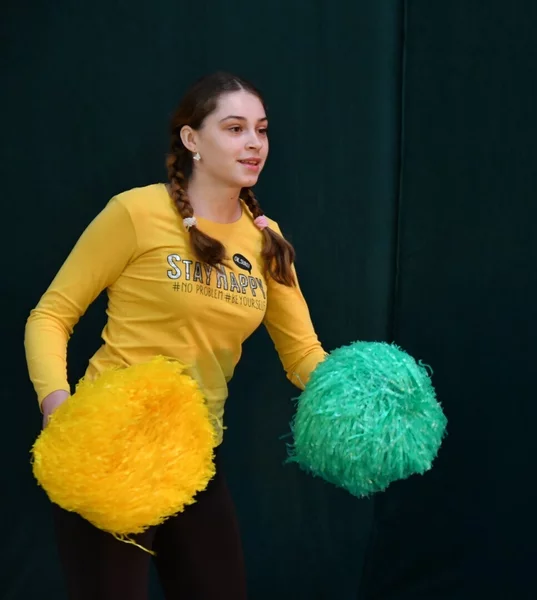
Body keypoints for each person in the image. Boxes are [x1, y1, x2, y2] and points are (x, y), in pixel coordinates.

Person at [24, 72, 327, 600]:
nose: (254, 143)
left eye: (261, 130)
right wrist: (57, 404)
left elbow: (302, 353)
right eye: (234, 128)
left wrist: (362, 394)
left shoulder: (265, 238)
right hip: (111, 452)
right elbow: (50, 315)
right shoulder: (136, 212)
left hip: (196, 458)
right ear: (192, 139)